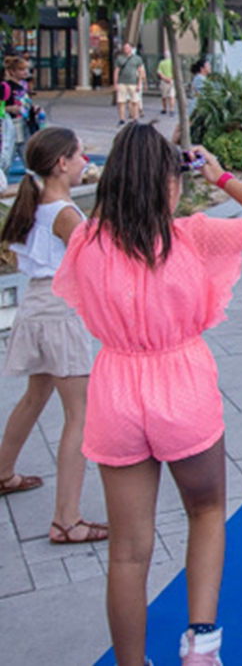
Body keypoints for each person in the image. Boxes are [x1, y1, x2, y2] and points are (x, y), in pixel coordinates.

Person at [52, 124, 242, 666]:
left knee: (129, 553)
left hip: (116, 389)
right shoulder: (192, 235)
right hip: (181, 385)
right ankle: (201, 644)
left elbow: (61, 212)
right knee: (207, 511)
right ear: (170, 182)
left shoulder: (86, 243)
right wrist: (222, 175)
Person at [0, 127, 105, 545]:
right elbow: (92, 259)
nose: (86, 163)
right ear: (62, 163)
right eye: (81, 156)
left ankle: (4, 471)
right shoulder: (64, 212)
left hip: (36, 307)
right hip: (61, 313)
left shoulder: (39, 203)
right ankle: (67, 519)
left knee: (34, 396)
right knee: (79, 415)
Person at [113, 43, 145, 126]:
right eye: (124, 48)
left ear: (131, 49)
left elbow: (140, 71)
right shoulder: (120, 59)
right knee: (121, 101)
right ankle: (122, 118)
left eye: (127, 48)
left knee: (135, 101)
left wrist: (139, 84)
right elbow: (116, 71)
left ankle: (135, 118)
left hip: (133, 82)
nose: (126, 49)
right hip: (122, 82)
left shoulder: (137, 59)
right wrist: (115, 84)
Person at [157, 50, 175, 116]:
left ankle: (165, 109)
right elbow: (175, 72)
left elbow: (159, 72)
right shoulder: (173, 62)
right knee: (172, 96)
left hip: (164, 81)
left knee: (164, 96)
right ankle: (172, 109)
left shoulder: (161, 63)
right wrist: (171, 78)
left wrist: (165, 78)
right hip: (171, 81)